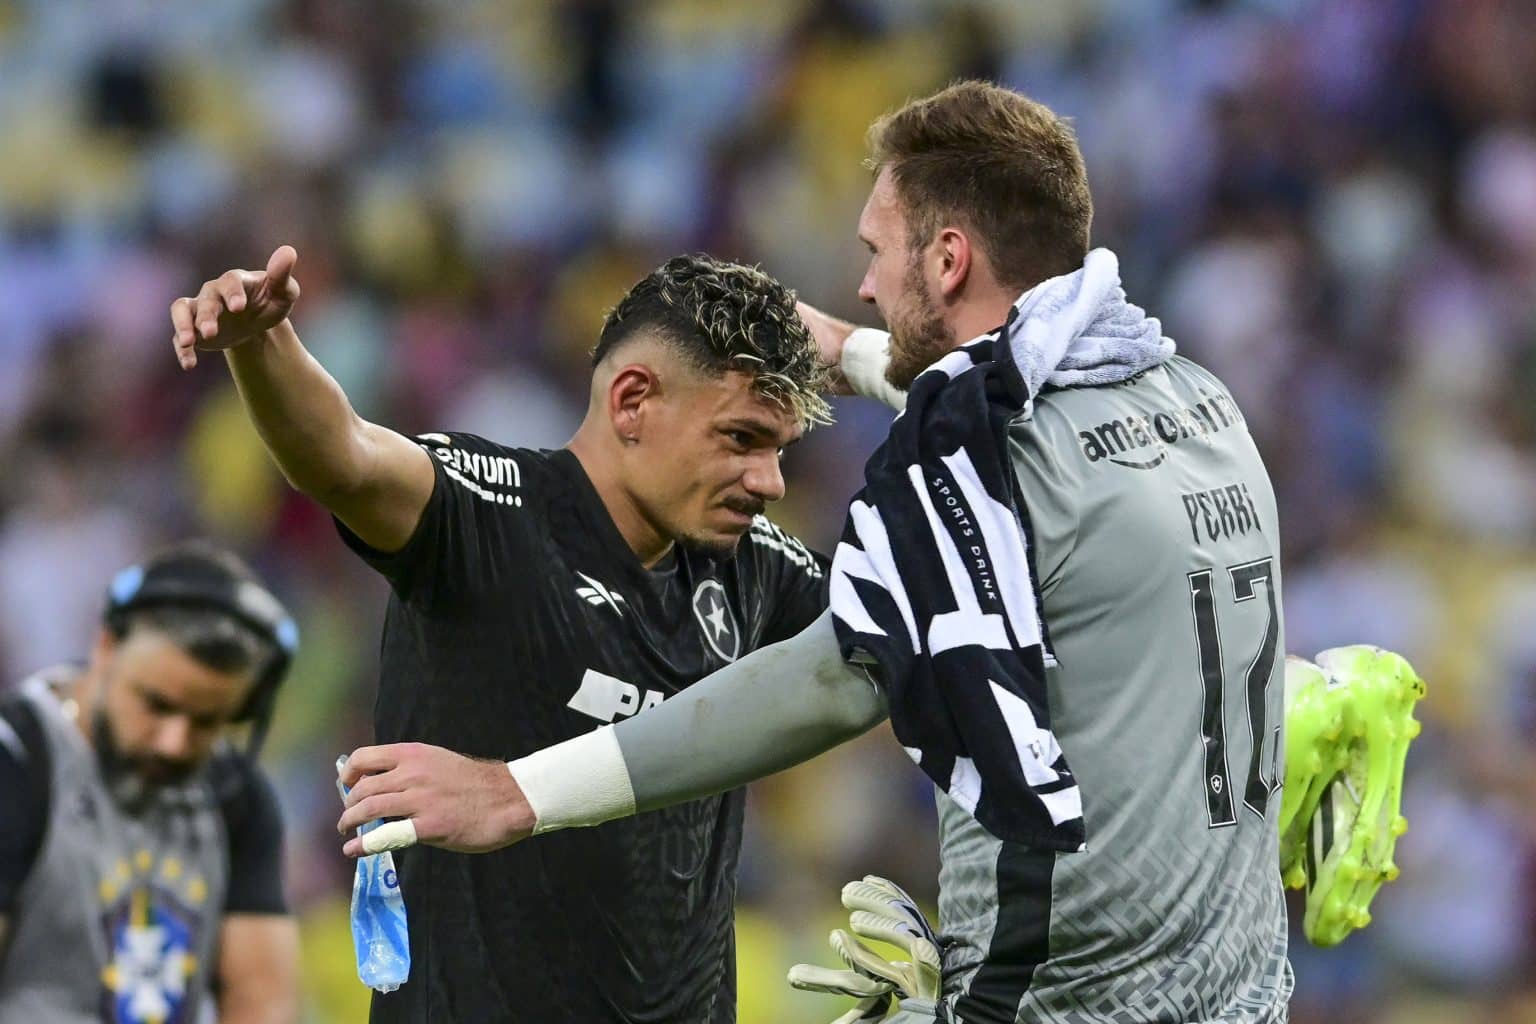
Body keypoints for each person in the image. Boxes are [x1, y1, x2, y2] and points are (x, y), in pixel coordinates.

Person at [339, 80, 1303, 1024]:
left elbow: (836, 676)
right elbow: (1030, 418)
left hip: (1070, 995)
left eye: (879, 252)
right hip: (1242, 987)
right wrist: (847, 351)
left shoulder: (965, 469)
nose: (866, 285)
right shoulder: (1193, 404)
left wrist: (520, 788)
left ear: (951, 259)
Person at [170, 250, 833, 1021]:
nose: (770, 482)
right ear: (632, 402)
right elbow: (345, 459)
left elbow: (923, 615)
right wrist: (263, 344)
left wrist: (868, 359)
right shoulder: (493, 513)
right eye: (743, 439)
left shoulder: (755, 571)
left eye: (778, 450)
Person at [0, 542, 300, 1024]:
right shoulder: (14, 762)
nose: (173, 743)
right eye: (156, 705)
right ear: (105, 646)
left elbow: (263, 1003)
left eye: (207, 722)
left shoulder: (237, 795)